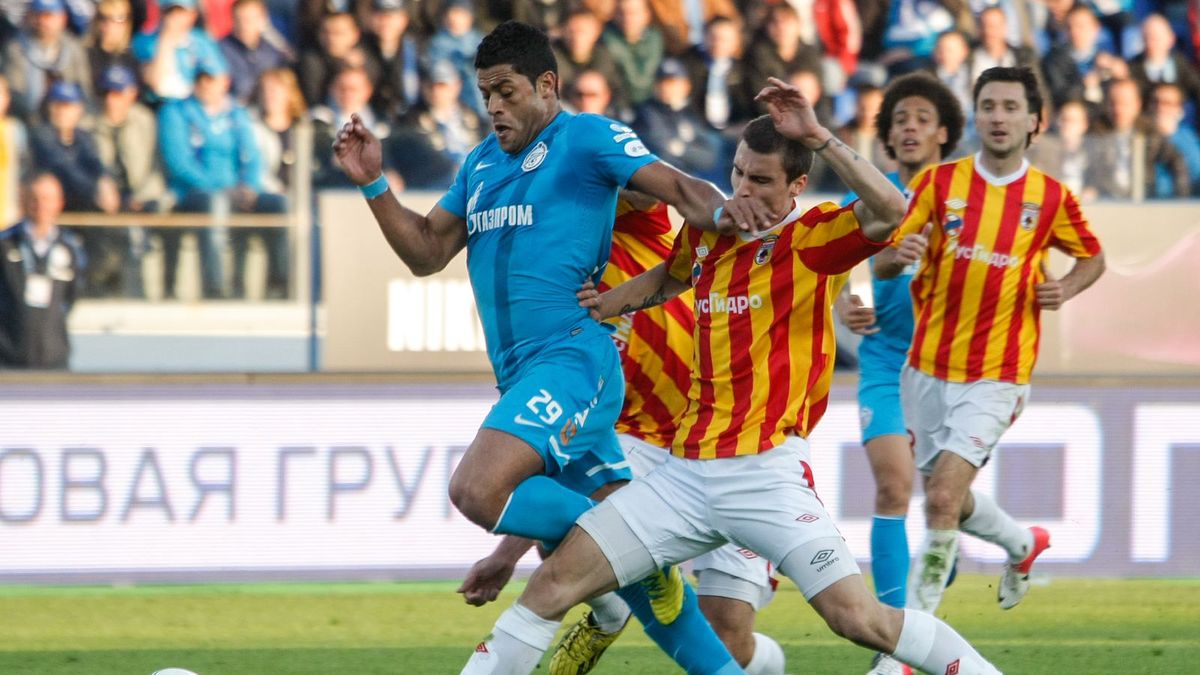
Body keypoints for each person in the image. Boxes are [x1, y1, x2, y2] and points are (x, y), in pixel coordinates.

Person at [464, 80, 1005, 675]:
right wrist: (605, 305)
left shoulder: (812, 240)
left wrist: (820, 136)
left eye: (763, 180)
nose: (744, 189)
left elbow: (892, 212)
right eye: (740, 173)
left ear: (796, 187)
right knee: (552, 585)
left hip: (764, 476)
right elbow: (670, 278)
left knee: (860, 621)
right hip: (683, 477)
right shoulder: (708, 233)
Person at [335, 20, 779, 675]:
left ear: (548, 85)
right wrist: (374, 184)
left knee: (477, 490)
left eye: (507, 91)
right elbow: (427, 251)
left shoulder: (587, 138)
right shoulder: (479, 165)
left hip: (576, 359)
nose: (494, 107)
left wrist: (727, 212)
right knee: (622, 567)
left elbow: (683, 188)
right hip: (522, 377)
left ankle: (640, 545)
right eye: (484, 93)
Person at [459, 195, 788, 675]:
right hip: (640, 439)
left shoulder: (629, 223)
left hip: (730, 436)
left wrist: (579, 166)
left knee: (730, 633)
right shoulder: (554, 300)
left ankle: (765, 663)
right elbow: (554, 461)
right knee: (571, 542)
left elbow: (637, 182)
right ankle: (610, 612)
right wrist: (506, 554)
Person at [873, 66, 1105, 620]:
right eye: (988, 106)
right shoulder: (936, 185)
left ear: (1034, 122)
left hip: (999, 372)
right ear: (975, 117)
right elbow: (881, 261)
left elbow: (1093, 257)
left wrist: (1066, 287)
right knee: (945, 496)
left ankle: (911, 642)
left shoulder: (1049, 199)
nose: (997, 117)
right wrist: (892, 258)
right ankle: (1024, 545)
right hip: (925, 369)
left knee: (944, 499)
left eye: (1009, 107)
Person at [832, 71, 965, 675]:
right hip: (888, 359)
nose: (907, 127)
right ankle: (898, 647)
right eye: (898, 120)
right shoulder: (874, 195)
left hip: (950, 368)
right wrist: (844, 301)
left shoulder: (969, 200)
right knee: (893, 487)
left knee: (946, 501)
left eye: (920, 117)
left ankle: (979, 545)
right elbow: (822, 259)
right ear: (886, 136)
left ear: (943, 131)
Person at [0, 173, 83, 369]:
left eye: (47, 199)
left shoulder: (69, 248)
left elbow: (72, 295)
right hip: (9, 359)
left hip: (54, 359)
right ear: (24, 201)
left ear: (59, 203)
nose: (40, 205)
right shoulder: (5, 244)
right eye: (34, 198)